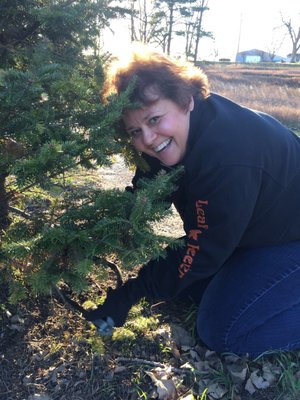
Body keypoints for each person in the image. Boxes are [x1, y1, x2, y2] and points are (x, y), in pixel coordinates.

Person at [86, 47, 300, 357]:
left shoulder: (227, 159)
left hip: (292, 239)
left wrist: (133, 291)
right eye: (135, 130)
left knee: (221, 329)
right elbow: (146, 195)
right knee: (193, 290)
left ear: (187, 100)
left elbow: (202, 252)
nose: (147, 139)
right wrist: (95, 232)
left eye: (154, 119)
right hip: (263, 231)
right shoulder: (169, 141)